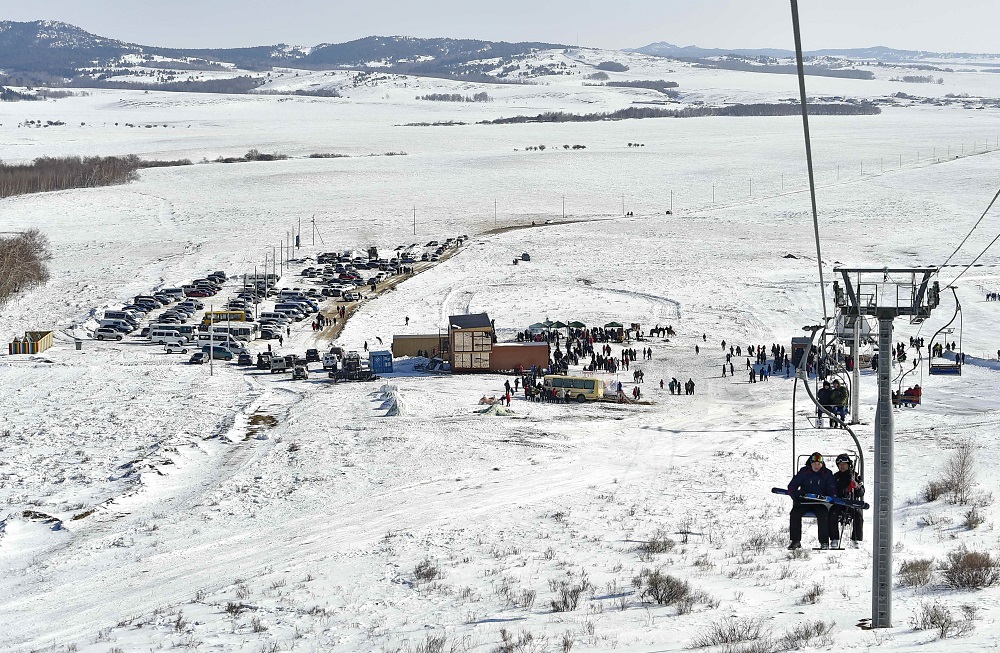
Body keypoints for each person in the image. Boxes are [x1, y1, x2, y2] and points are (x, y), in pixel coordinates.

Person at [787, 452, 837, 550]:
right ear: (810, 463)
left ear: (822, 464)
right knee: (794, 513)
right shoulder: (804, 472)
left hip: (820, 502)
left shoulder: (827, 473)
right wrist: (796, 496)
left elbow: (832, 488)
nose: (816, 466)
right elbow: (792, 486)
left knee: (823, 514)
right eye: (814, 463)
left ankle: (824, 542)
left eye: (819, 464)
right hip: (804, 502)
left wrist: (830, 497)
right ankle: (795, 541)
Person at [829, 453, 864, 548]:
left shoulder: (855, 476)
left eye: (844, 464)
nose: (842, 466)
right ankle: (834, 539)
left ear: (848, 465)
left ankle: (856, 538)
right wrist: (845, 490)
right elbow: (833, 491)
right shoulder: (835, 477)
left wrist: (856, 487)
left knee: (858, 515)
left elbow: (861, 493)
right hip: (839, 502)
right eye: (840, 465)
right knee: (832, 513)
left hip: (851, 502)